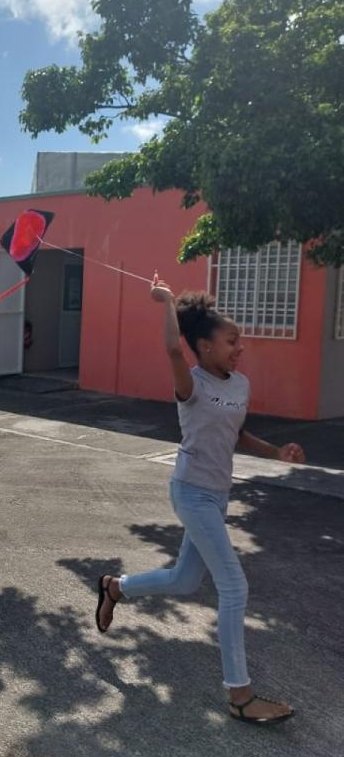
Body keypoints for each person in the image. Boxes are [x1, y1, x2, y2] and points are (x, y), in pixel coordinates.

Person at [95, 278, 305, 726]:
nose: (239, 348)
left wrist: (277, 452)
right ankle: (240, 695)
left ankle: (116, 587)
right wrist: (167, 301)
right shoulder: (190, 384)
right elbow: (173, 349)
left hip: (218, 494)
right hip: (191, 492)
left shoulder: (240, 385)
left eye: (239, 341)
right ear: (205, 347)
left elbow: (236, 433)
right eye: (232, 341)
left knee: (184, 580)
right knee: (234, 587)